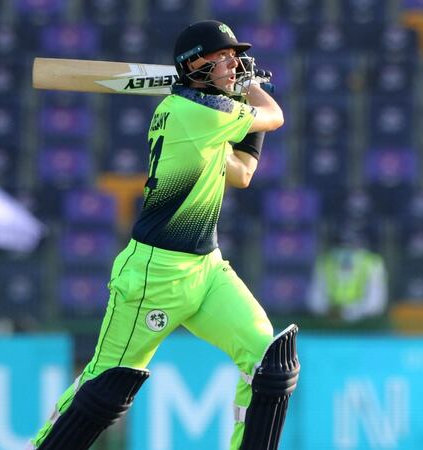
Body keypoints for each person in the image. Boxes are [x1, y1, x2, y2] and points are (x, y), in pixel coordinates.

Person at [30, 20, 300, 450]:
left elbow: (243, 173)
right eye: (225, 57)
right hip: (154, 276)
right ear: (194, 64)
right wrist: (250, 88)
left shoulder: (200, 116)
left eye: (236, 57)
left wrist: (238, 90)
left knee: (268, 359)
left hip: (206, 269)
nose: (235, 64)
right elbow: (275, 116)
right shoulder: (197, 114)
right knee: (106, 386)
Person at [307, 225, 388, 323]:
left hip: (363, 322)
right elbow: (315, 300)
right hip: (329, 320)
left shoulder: (373, 263)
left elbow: (375, 304)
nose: (346, 250)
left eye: (351, 246)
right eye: (341, 245)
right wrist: (328, 311)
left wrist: (349, 313)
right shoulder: (325, 262)